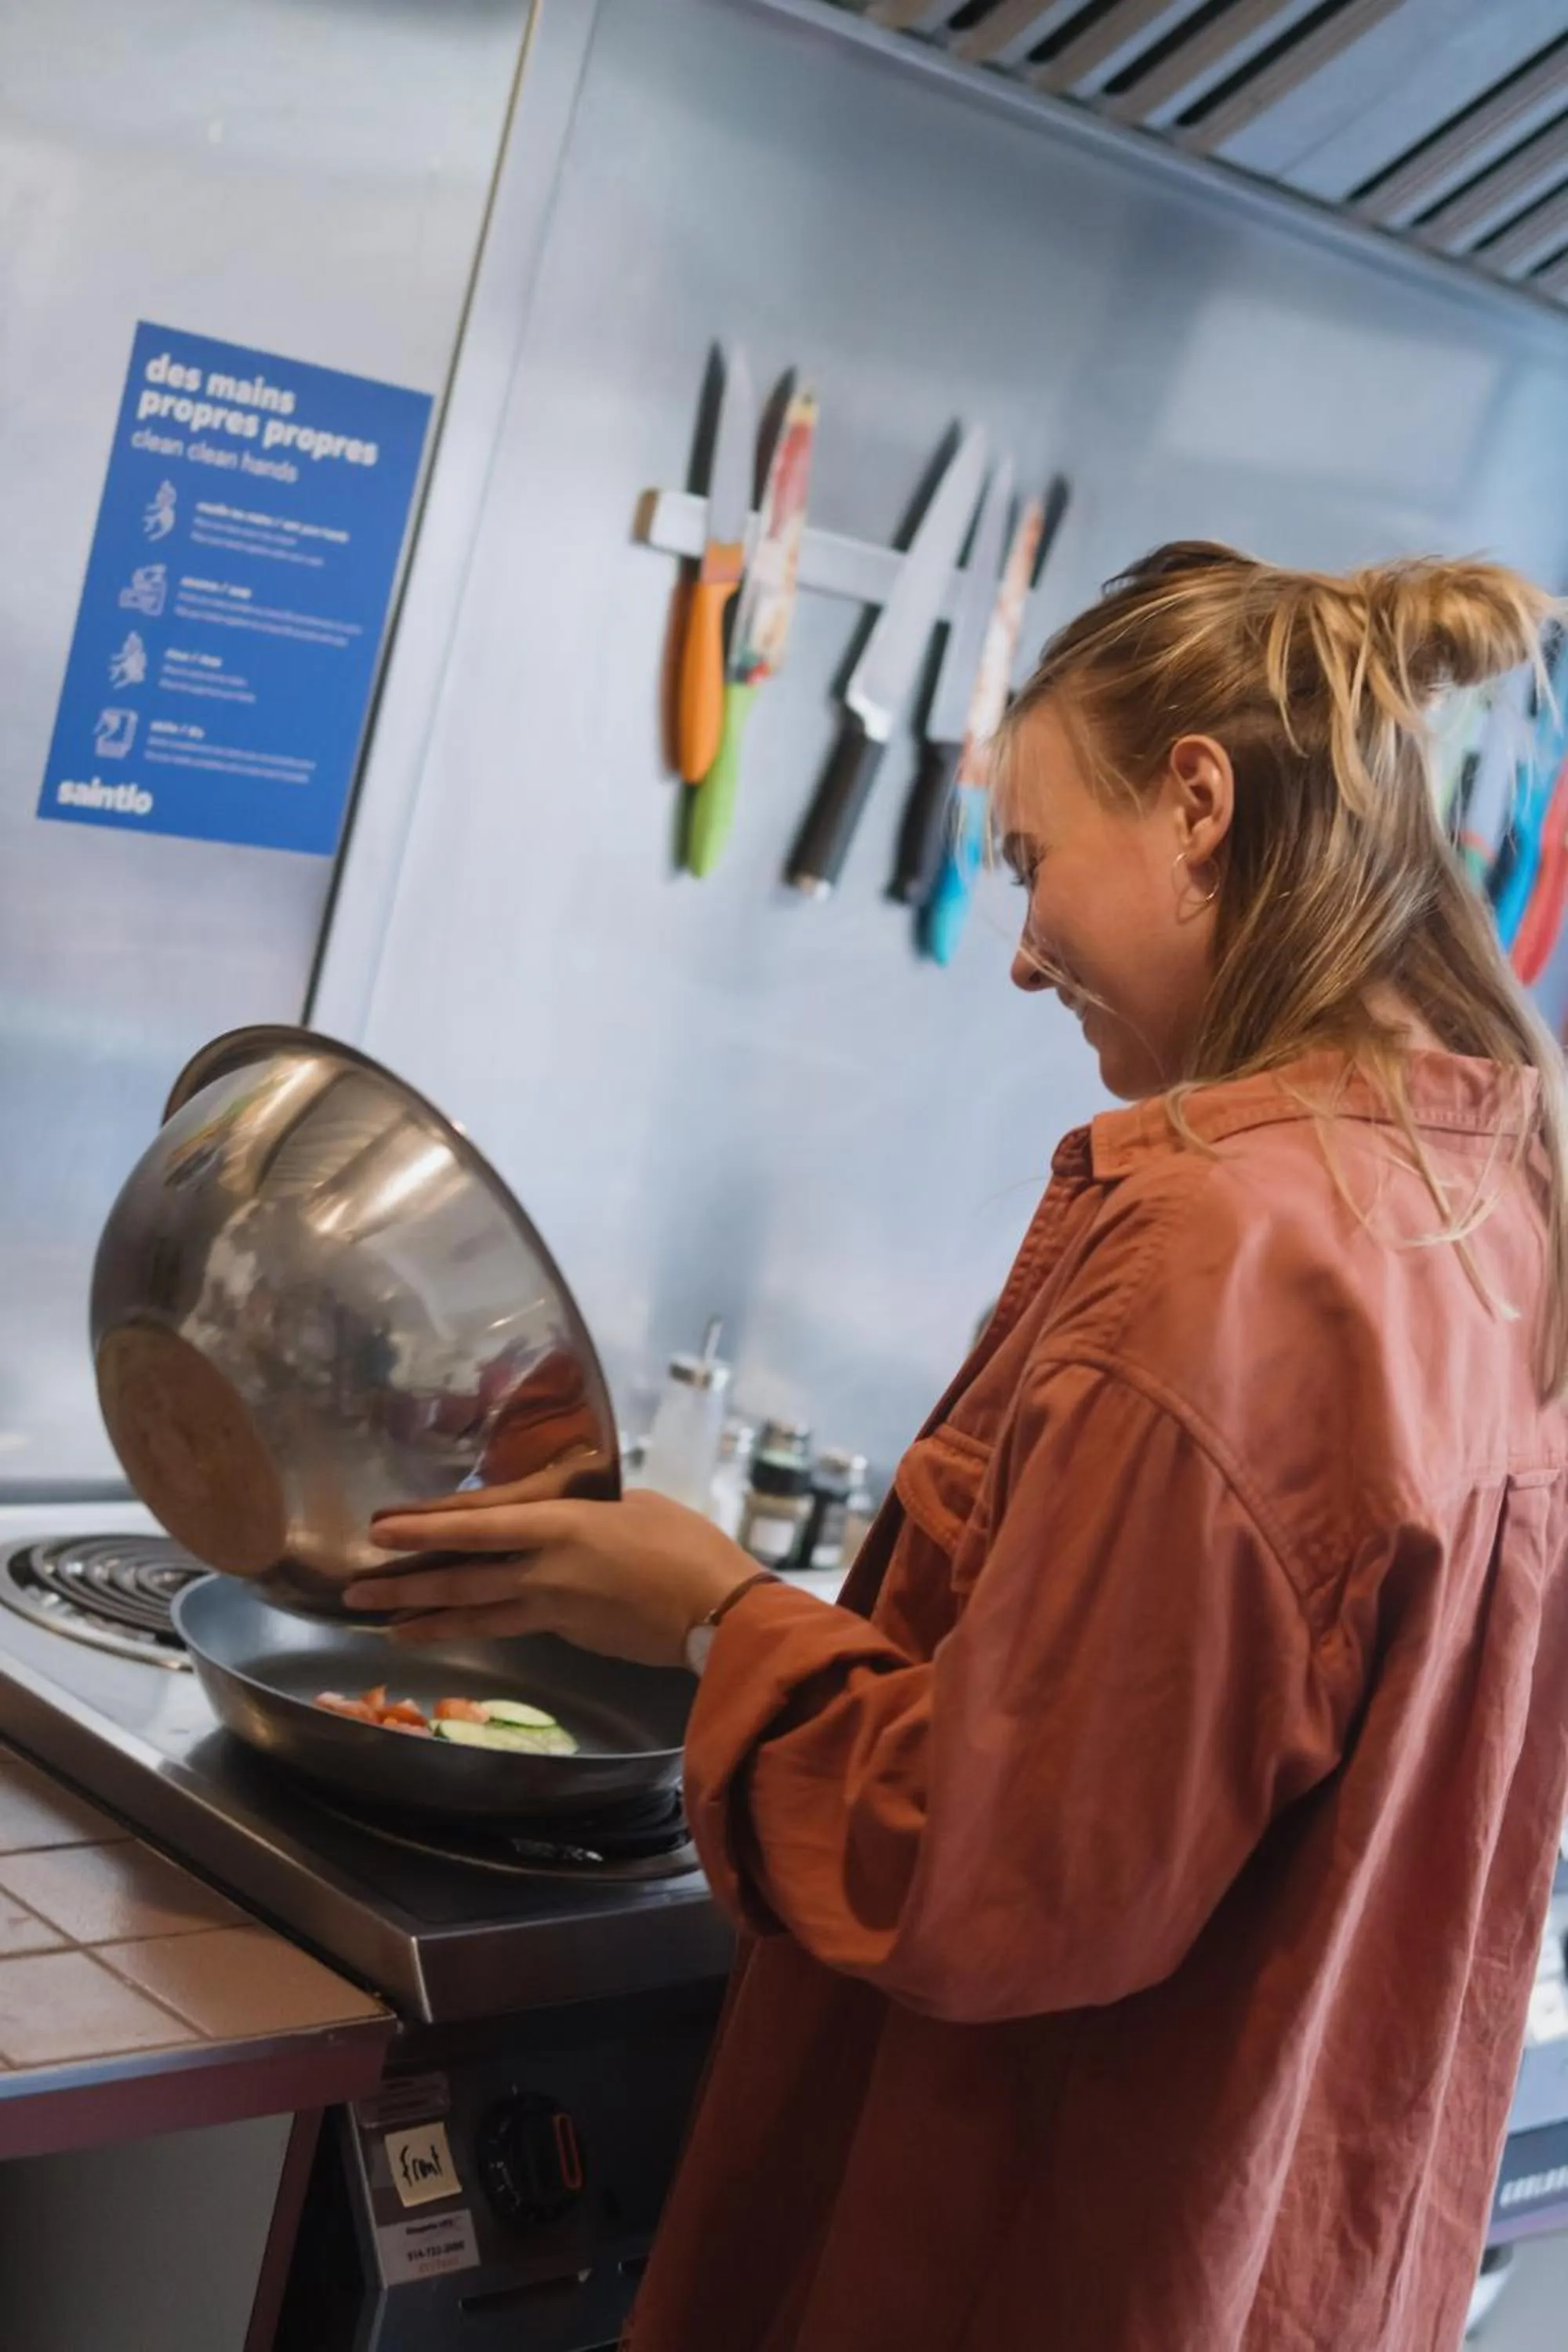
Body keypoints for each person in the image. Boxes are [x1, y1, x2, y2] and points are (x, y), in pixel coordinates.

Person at [348, 543, 1568, 2352]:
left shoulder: (1236, 1248)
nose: (1015, 951)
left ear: (1199, 805)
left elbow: (982, 1868)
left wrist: (712, 1613)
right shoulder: (1491, 1187)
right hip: (1267, 2249)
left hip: (1039, 2238)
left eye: (1028, 858)